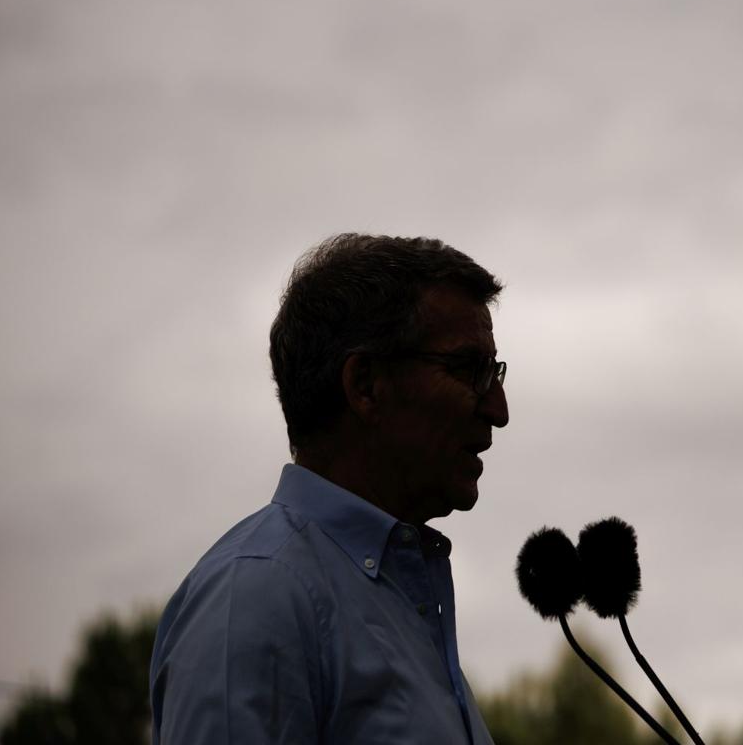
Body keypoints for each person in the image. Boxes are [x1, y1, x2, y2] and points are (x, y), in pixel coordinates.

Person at [149, 233, 509, 744]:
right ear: (365, 385)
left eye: (493, 373)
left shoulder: (393, 603)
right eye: (469, 370)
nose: (499, 410)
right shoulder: (257, 599)